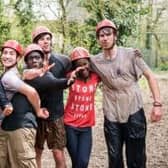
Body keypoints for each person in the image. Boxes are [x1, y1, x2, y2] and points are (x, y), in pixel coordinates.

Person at [90, 19, 162, 168]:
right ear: (98, 39)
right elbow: (76, 65)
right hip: (111, 113)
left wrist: (157, 104)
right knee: (114, 157)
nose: (105, 38)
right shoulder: (95, 61)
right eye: (101, 35)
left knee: (136, 158)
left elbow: (150, 76)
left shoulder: (131, 54)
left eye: (108, 34)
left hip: (133, 110)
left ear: (115, 36)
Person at [1, 43, 77, 168]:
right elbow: (27, 74)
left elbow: (52, 84)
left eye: (37, 57)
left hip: (29, 122)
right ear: (25, 60)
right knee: (21, 158)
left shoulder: (44, 75)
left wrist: (68, 81)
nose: (34, 60)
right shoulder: (20, 73)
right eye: (31, 58)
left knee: (53, 153)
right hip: (12, 125)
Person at [26, 26, 72, 168]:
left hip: (56, 114)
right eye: (41, 39)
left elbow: (78, 68)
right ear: (35, 42)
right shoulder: (30, 62)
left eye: (48, 39)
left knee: (58, 153)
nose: (45, 42)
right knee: (36, 152)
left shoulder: (62, 61)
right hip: (36, 114)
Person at [0, 40, 49, 168]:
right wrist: (38, 72)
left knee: (25, 164)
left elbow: (31, 92)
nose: (7, 56)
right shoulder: (16, 73)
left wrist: (38, 111)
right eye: (5, 53)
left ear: (18, 57)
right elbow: (27, 74)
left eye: (11, 53)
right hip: (10, 127)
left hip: (20, 128)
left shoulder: (9, 77)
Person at [64, 47, 100, 168]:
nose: (83, 67)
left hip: (86, 127)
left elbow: (108, 64)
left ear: (89, 63)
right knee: (77, 162)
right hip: (70, 125)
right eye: (79, 65)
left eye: (85, 63)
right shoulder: (70, 76)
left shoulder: (96, 76)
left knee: (83, 162)